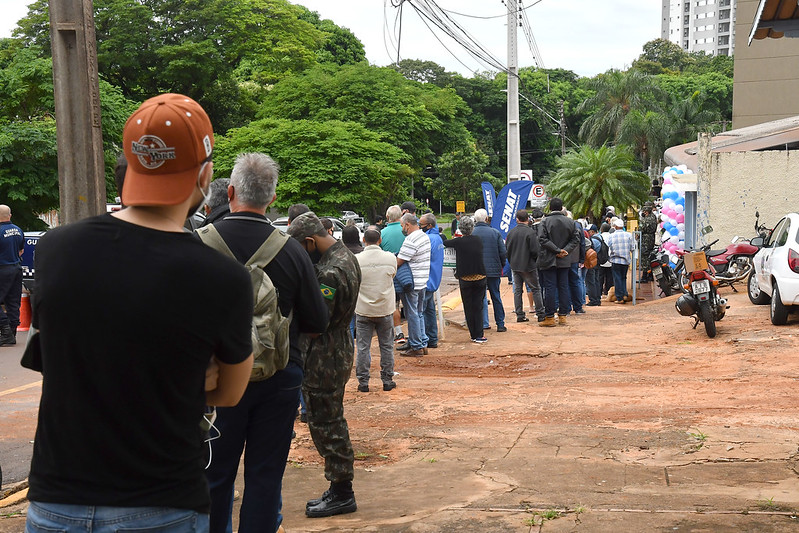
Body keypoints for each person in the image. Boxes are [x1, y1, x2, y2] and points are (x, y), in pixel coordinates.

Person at [25, 93, 254, 533]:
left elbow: (61, 355)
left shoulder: (56, 248)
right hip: (161, 502)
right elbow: (228, 393)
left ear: (131, 165)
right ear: (205, 175)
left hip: (56, 501)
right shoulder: (221, 276)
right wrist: (188, 373)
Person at [202, 154, 329, 533]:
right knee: (265, 476)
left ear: (230, 192)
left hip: (214, 382)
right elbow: (317, 321)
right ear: (272, 198)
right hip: (278, 378)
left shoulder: (199, 244)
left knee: (214, 475)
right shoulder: (291, 250)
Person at [288, 212, 361, 518]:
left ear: (310, 241)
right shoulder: (346, 256)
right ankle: (339, 487)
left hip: (325, 354)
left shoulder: (330, 272)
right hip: (336, 347)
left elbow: (317, 322)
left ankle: (342, 491)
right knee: (328, 416)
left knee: (326, 421)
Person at [354, 228, 397, 392]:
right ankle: (387, 380)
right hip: (384, 308)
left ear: (364, 240)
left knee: (363, 347)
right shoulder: (390, 258)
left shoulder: (356, 259)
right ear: (380, 240)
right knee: (386, 346)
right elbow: (392, 275)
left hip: (363, 309)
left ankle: (363, 382)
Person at [442, 216, 487, 343]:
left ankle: (473, 334)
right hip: (480, 277)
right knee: (478, 306)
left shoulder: (458, 242)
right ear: (472, 228)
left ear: (460, 229)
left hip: (465, 279)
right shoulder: (478, 240)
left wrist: (443, 235)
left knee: (468, 306)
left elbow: (445, 242)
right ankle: (480, 334)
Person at [537, 197, 579, 327]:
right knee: (563, 287)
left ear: (550, 208)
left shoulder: (544, 222)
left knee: (550, 288)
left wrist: (556, 250)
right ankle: (563, 316)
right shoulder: (570, 222)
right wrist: (565, 250)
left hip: (548, 259)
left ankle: (550, 317)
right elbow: (576, 239)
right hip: (564, 259)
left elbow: (542, 239)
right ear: (561, 208)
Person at [395, 213, 431, 357]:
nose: (402, 229)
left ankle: (416, 346)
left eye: (402, 226)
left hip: (412, 283)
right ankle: (421, 342)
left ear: (407, 225)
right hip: (422, 281)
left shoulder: (411, 239)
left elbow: (399, 261)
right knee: (419, 313)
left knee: (412, 314)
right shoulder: (424, 236)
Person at [505, 209, 543, 324]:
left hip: (515, 265)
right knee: (535, 289)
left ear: (517, 219)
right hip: (528, 265)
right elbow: (535, 250)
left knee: (517, 290)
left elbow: (507, 249)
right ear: (528, 219)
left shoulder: (511, 233)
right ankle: (540, 314)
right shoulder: (530, 232)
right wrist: (534, 261)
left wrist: (512, 261)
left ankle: (519, 314)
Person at [472, 208, 507, 332]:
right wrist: (501, 265)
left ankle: (483, 323)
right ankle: (500, 324)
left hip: (477, 270)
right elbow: (503, 252)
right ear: (487, 219)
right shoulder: (495, 233)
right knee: (496, 296)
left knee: (480, 297)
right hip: (494, 270)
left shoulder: (471, 233)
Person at [380, 205, 405, 342]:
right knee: (410, 304)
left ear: (387, 217)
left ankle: (398, 332)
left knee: (393, 305)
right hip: (407, 273)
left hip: (390, 274)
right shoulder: (406, 231)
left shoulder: (382, 233)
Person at [0, 205, 24, 346]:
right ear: (10, 215)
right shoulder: (18, 230)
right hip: (16, 268)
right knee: (13, 302)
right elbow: (21, 251)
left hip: (2, 268)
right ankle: (12, 333)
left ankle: (6, 331)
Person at [420, 213, 444, 349]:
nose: (419, 226)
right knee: (429, 311)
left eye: (421, 225)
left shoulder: (427, 239)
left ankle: (422, 339)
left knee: (421, 312)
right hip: (434, 279)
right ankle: (432, 338)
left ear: (429, 225)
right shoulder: (437, 238)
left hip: (426, 279)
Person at [608, 217, 634, 304]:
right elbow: (632, 248)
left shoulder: (611, 236)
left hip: (615, 260)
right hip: (625, 260)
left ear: (615, 226)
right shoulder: (629, 235)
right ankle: (625, 294)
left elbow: (609, 247)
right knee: (623, 277)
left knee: (617, 278)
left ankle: (619, 297)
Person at [585, 224, 603, 307]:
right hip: (597, 261)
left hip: (592, 262)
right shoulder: (600, 237)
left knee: (590, 281)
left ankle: (593, 300)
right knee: (596, 280)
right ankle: (597, 299)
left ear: (592, 231)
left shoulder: (593, 239)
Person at [639, 203, 658, 280]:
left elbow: (642, 228)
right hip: (651, 238)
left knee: (644, 257)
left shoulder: (646, 219)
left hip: (645, 239)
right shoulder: (654, 217)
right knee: (650, 256)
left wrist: (642, 219)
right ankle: (650, 275)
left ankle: (644, 276)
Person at [599, 222, 614, 296]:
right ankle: (607, 291)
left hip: (601, 260)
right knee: (609, 277)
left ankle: (599, 292)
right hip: (610, 260)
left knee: (600, 277)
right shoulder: (612, 236)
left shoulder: (599, 236)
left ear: (601, 229)